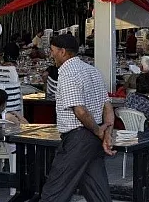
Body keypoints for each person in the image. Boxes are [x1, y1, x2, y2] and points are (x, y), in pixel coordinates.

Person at [39, 34, 115, 202]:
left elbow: (80, 111)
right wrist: (106, 133)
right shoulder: (93, 71)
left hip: (78, 137)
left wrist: (98, 131)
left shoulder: (67, 73)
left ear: (63, 51)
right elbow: (108, 107)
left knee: (53, 193)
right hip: (92, 138)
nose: (51, 55)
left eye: (52, 51)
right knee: (98, 194)